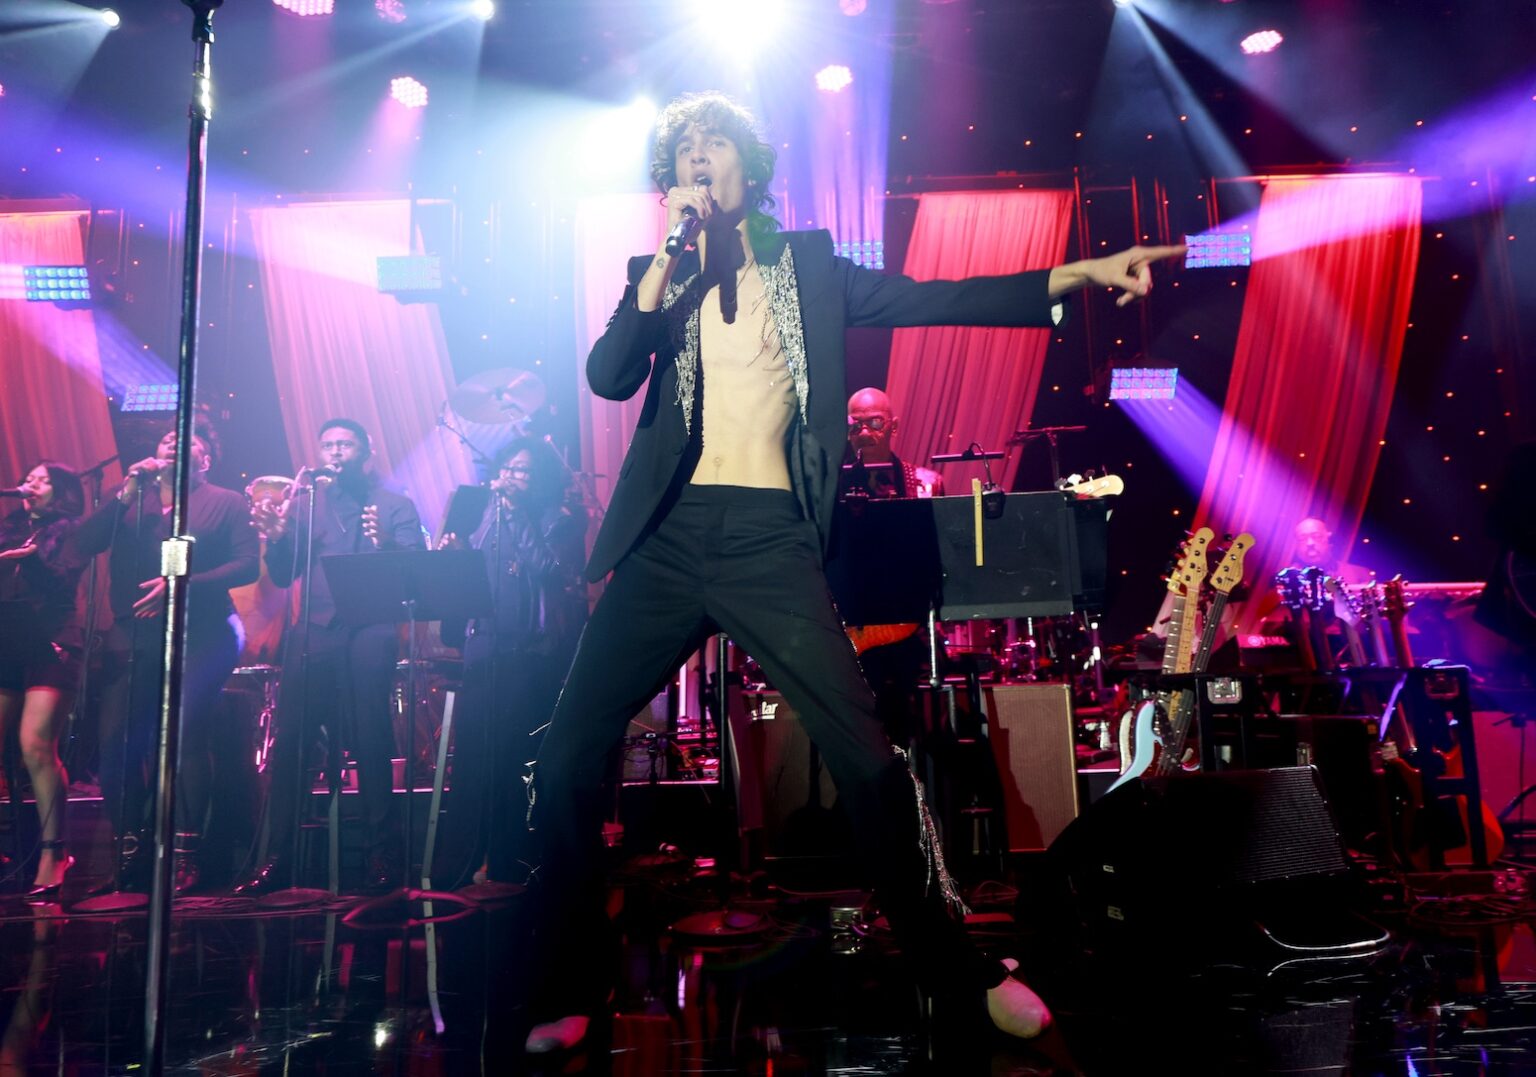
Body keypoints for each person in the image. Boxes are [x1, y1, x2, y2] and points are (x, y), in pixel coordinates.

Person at [522, 90, 1182, 1053]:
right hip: (669, 541)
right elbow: (609, 376)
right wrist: (665, 261)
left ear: (750, 168)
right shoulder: (658, 278)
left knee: (868, 762)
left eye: (713, 148)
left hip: (768, 543)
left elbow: (941, 299)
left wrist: (1081, 270)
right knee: (571, 747)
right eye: (682, 155)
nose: (697, 164)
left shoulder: (814, 269)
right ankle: (568, 982)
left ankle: (961, 971)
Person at [234, 418, 425, 895]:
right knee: (292, 742)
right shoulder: (303, 506)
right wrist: (277, 537)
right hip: (314, 631)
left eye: (345, 444)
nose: (336, 452)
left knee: (371, 739)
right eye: (328, 445)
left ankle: (382, 853)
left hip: (370, 629)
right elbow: (281, 577)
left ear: (366, 451)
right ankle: (277, 857)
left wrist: (384, 545)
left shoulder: (395, 505)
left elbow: (415, 577)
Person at [76, 420, 259, 894]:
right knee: (116, 744)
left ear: (206, 459)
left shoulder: (225, 502)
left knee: (181, 735)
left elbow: (246, 563)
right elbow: (83, 543)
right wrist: (124, 491)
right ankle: (130, 852)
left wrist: (181, 584)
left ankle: (187, 853)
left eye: (190, 441)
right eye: (166, 439)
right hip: (134, 633)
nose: (176, 443)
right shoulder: (132, 499)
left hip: (202, 632)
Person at [440, 437, 587, 885]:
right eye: (508, 467)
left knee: (515, 755)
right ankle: (467, 857)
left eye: (524, 470)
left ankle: (513, 858)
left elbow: (548, 570)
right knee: (474, 753)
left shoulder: (558, 520)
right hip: (482, 642)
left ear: (538, 476)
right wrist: (452, 550)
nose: (513, 476)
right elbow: (465, 569)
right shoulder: (482, 511)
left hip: (530, 650)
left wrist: (515, 516)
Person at [0, 462, 90, 899]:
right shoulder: (10, 527)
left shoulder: (71, 531)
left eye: (43, 480)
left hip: (54, 640)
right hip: (9, 635)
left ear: (62, 490)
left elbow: (62, 579)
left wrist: (31, 564)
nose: (31, 485)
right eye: (29, 478)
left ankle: (56, 851)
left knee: (35, 742)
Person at [845, 386, 944, 499]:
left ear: (894, 427)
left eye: (875, 422)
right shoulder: (831, 485)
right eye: (855, 424)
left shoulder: (927, 486)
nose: (864, 433)